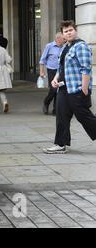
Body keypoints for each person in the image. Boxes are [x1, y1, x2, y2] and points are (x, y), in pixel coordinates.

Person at [44, 21, 96, 154]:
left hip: (76, 89)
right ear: (63, 34)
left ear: (76, 31)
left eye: (71, 30)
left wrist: (84, 89)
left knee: (84, 117)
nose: (68, 33)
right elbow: (61, 68)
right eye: (66, 31)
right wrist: (55, 79)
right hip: (63, 88)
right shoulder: (64, 47)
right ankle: (60, 144)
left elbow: (86, 68)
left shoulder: (81, 46)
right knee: (61, 116)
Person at [39, 32, 66, 115]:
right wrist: (41, 71)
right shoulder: (49, 46)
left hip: (61, 71)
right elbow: (42, 60)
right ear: (58, 39)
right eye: (63, 39)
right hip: (51, 70)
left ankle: (55, 109)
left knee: (59, 90)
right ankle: (46, 102)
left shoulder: (64, 47)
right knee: (53, 90)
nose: (65, 40)